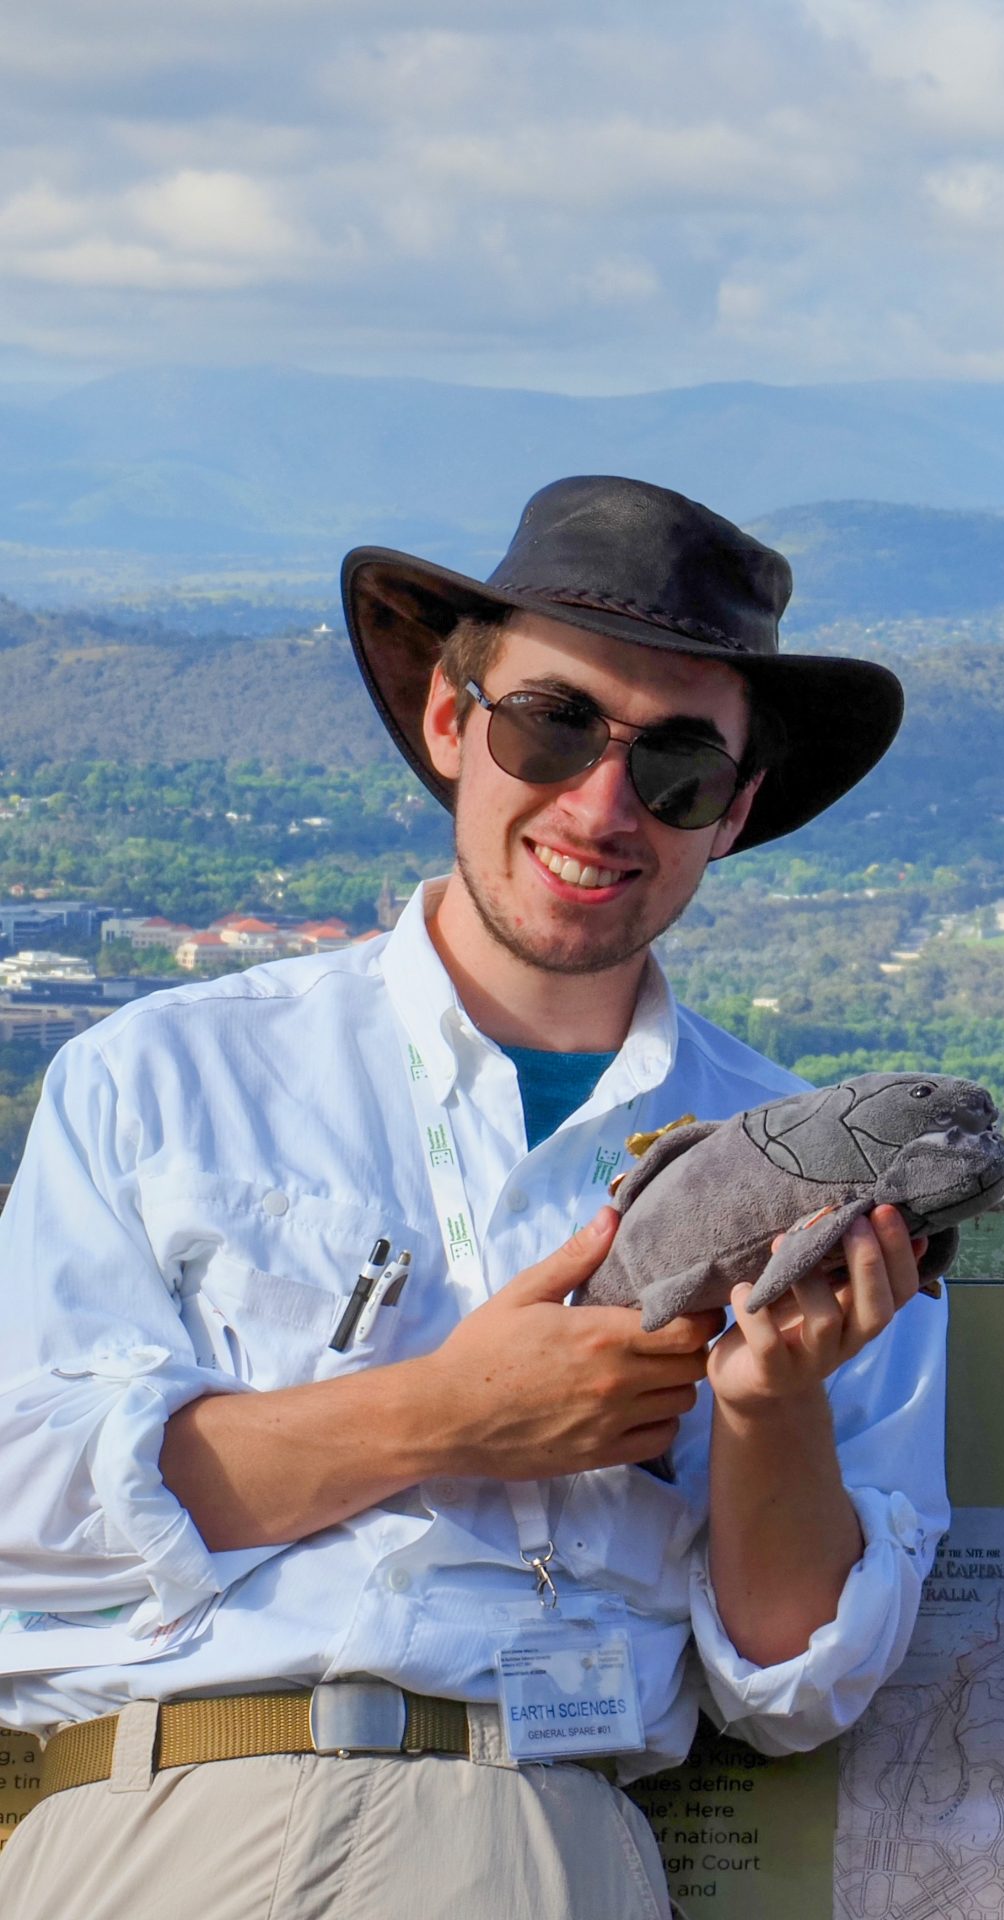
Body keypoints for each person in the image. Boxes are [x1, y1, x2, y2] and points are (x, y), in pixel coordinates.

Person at [0, 477, 944, 1917]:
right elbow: (21, 1509)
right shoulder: (161, 1076)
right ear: (453, 719)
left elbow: (797, 1684)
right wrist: (444, 1415)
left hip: (536, 1834)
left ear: (734, 810)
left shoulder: (818, 1178)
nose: (602, 806)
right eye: (552, 725)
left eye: (678, 768)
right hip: (169, 1815)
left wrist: (770, 1409)